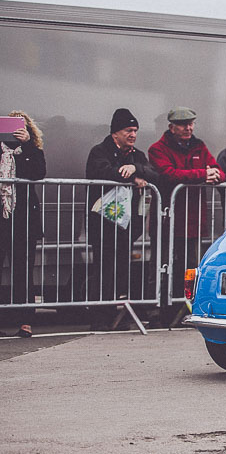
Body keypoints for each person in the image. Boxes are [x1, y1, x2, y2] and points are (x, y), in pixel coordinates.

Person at [85, 108, 159, 328]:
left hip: (128, 224)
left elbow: (153, 173)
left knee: (122, 268)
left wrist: (136, 168)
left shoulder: (137, 155)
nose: (133, 134)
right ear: (115, 132)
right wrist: (130, 176)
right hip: (103, 223)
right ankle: (101, 318)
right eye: (128, 130)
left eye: (135, 130)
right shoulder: (99, 151)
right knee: (103, 269)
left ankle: (122, 313)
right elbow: (102, 171)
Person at [148, 107, 224, 307]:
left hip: (193, 221)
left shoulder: (199, 146)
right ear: (171, 127)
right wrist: (202, 174)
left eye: (191, 124)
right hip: (167, 220)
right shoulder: (158, 149)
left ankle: (186, 307)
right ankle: (160, 309)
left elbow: (219, 172)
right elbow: (169, 174)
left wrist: (213, 174)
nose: (188, 128)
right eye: (183, 125)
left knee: (190, 266)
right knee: (163, 266)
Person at [0, 110, 45, 337]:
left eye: (21, 127)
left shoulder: (31, 151)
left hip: (24, 220)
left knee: (23, 271)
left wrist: (26, 145)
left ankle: (25, 322)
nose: (15, 131)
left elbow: (38, 173)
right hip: (3, 219)